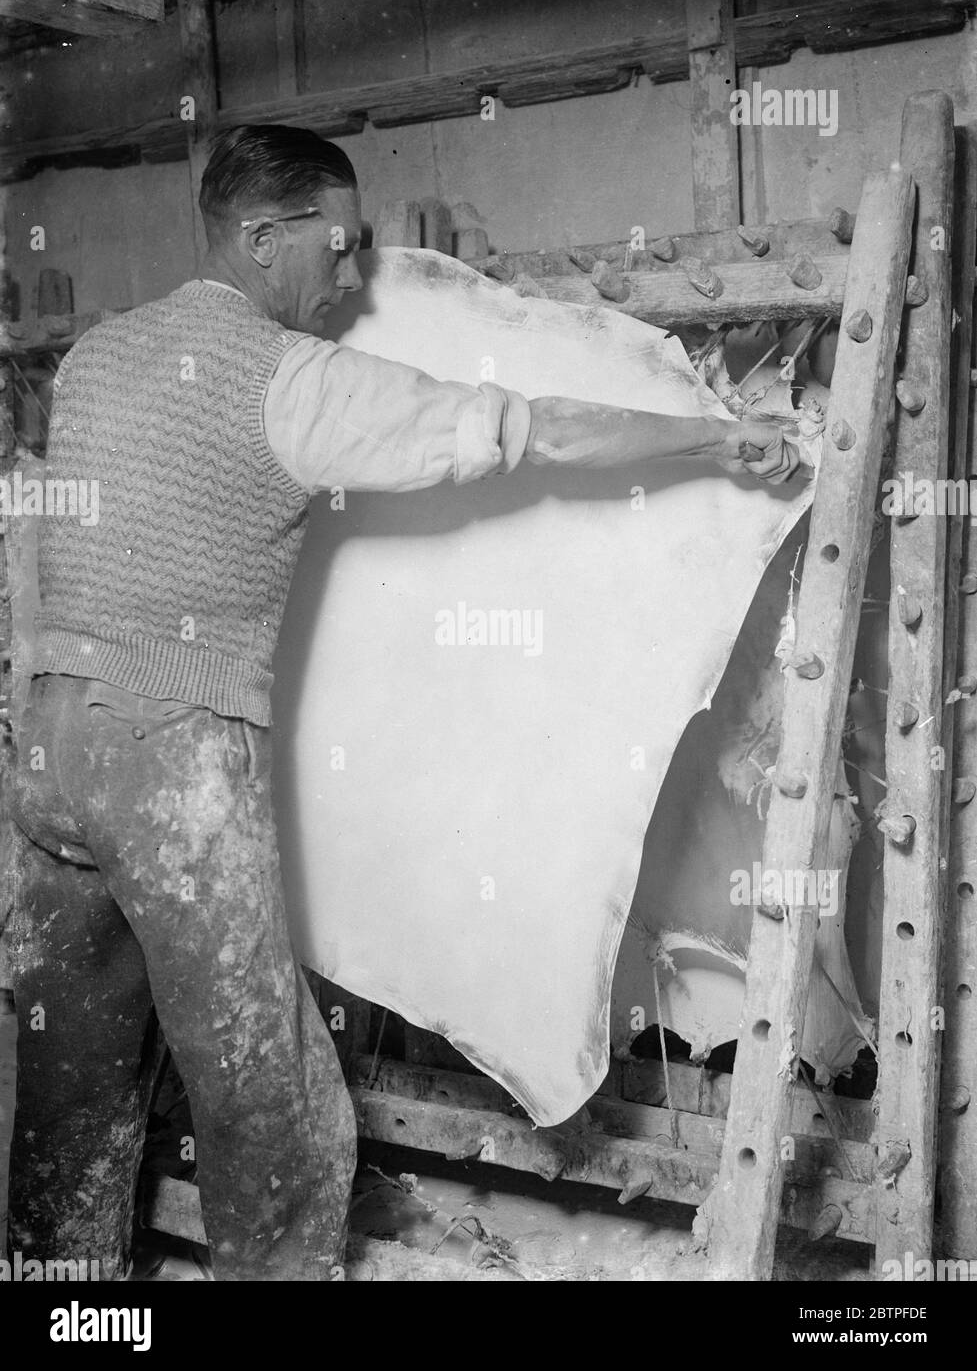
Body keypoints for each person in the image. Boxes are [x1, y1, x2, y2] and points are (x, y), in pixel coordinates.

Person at [1, 124, 801, 1281]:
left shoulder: (96, 356)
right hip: (165, 759)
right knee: (269, 1099)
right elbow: (535, 428)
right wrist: (716, 439)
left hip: (44, 758)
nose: (352, 276)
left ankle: (56, 1297)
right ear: (260, 241)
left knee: (72, 1083)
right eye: (336, 248)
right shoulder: (292, 384)